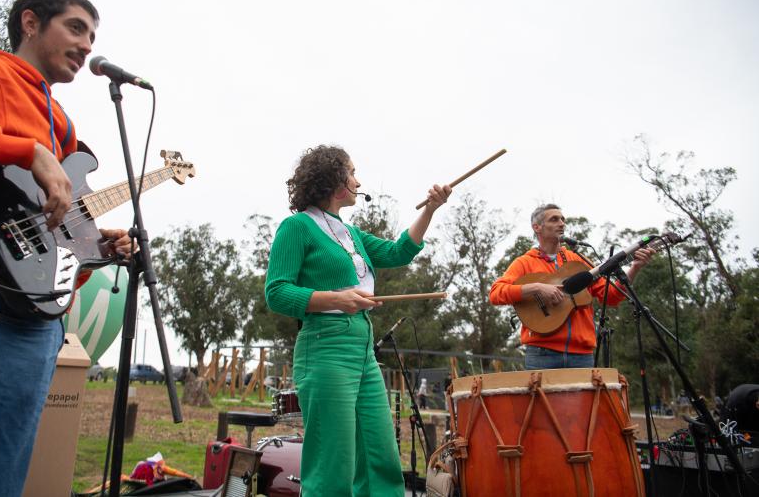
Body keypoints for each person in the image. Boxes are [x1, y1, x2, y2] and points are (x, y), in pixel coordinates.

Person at [0, 0, 132, 497]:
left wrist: (97, 252)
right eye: (75, 27)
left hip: (34, 315)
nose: (87, 44)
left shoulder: (58, 117)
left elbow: (54, 239)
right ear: (30, 22)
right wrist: (24, 150)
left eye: (92, 35)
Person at [265, 145, 451, 496]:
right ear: (336, 180)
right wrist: (336, 299)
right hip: (325, 346)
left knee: (380, 455)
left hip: (362, 349)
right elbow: (276, 293)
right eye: (353, 172)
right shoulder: (297, 227)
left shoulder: (349, 233)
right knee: (333, 462)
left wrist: (430, 208)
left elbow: (399, 252)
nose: (358, 180)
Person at [489, 203, 653, 370]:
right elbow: (496, 293)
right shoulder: (524, 262)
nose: (561, 223)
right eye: (554, 219)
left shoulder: (578, 260)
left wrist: (634, 268)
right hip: (542, 354)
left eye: (562, 219)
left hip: (582, 355)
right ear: (537, 227)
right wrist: (537, 288)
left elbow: (610, 296)